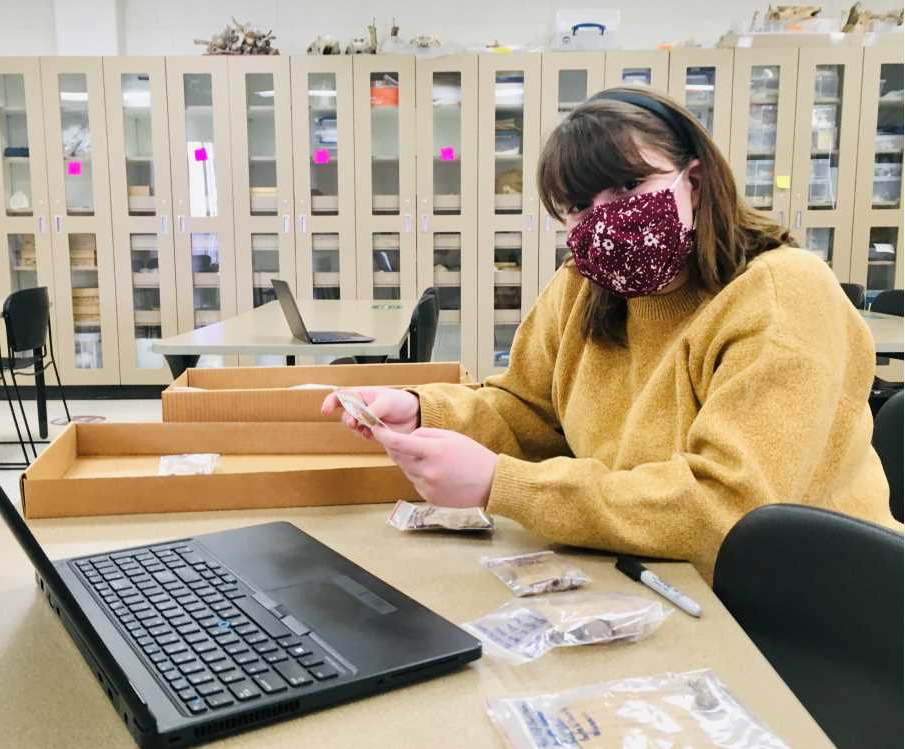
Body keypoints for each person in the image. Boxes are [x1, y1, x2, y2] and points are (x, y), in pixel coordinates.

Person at [321, 87, 900, 581]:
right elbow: (526, 410)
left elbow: (728, 508)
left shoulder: (780, 293)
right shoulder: (582, 286)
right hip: (649, 565)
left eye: (627, 187)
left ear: (693, 183)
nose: (604, 218)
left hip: (803, 593)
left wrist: (506, 484)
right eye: (578, 205)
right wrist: (424, 412)